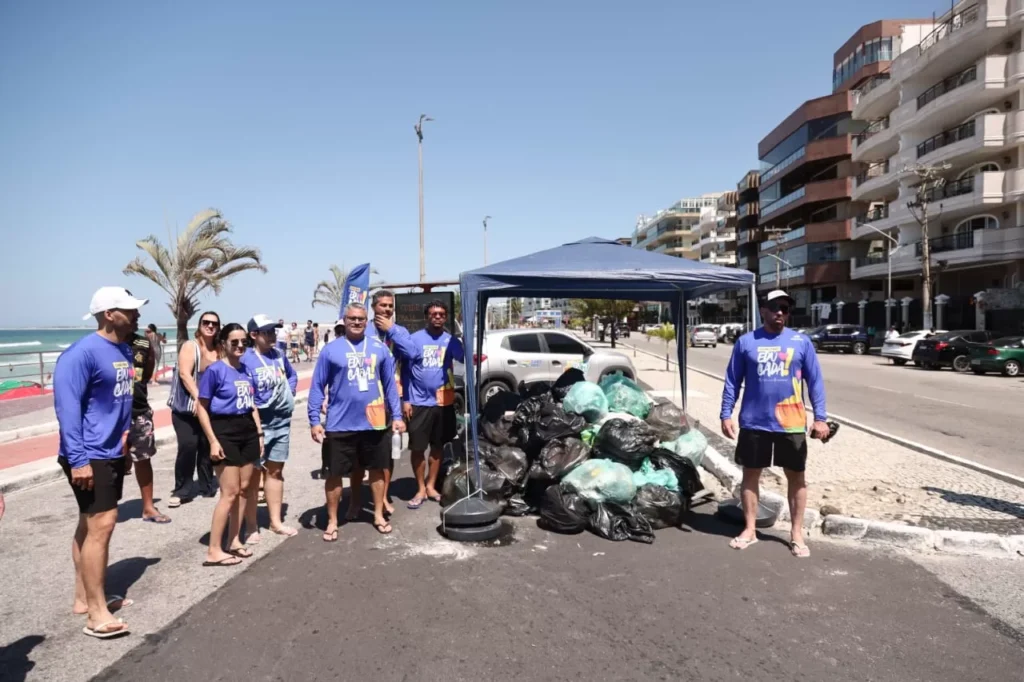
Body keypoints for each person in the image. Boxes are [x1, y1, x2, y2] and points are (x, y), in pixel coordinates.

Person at [56, 286, 148, 639]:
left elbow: (117, 404)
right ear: (109, 314)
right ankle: (96, 613)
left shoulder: (124, 349)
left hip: (111, 451)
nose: (137, 314)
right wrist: (78, 460)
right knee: (103, 524)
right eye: (130, 309)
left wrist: (123, 445)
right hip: (88, 453)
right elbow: (68, 410)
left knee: (89, 525)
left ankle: (84, 597)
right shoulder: (80, 355)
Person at [719, 289, 828, 559]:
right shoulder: (746, 342)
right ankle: (750, 529)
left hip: (791, 423)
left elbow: (814, 382)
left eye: (785, 308)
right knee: (751, 476)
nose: (780, 312)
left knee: (797, 478)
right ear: (763, 311)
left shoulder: (801, 343)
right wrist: (725, 413)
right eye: (775, 307)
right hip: (754, 422)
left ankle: (796, 533)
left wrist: (821, 418)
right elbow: (733, 380)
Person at [308, 303, 404, 539]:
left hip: (375, 422)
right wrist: (314, 420)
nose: (357, 322)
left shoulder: (379, 349)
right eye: (352, 318)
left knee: (377, 472)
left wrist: (397, 416)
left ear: (367, 320)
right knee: (334, 475)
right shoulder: (331, 350)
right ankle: (332, 521)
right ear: (344, 319)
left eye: (361, 318)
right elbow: (317, 386)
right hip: (339, 425)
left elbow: (390, 386)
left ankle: (378, 514)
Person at [378, 299, 464, 508]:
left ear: (445, 318)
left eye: (441, 314)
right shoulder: (413, 339)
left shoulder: (451, 340)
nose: (437, 317)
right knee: (417, 449)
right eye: (433, 314)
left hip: (443, 404)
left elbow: (464, 358)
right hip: (417, 403)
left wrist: (467, 338)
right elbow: (402, 370)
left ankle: (431, 485)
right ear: (427, 317)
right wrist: (405, 400)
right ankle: (420, 488)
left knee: (437, 448)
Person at [196, 323, 264, 566]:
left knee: (246, 488)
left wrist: (259, 433)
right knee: (229, 492)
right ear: (223, 343)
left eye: (243, 341)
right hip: (224, 431)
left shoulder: (246, 370)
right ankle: (214, 549)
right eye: (233, 341)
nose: (239, 345)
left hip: (246, 429)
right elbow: (201, 408)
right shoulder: (214, 371)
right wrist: (213, 441)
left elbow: (252, 403)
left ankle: (234, 540)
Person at [241, 315, 298, 538]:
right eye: (267, 332)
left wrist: (289, 393)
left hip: (281, 422)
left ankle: (276, 522)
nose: (272, 335)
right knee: (254, 475)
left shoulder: (278, 355)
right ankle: (251, 526)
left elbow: (291, 376)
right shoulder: (246, 359)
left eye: (273, 331)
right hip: (258, 424)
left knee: (275, 471)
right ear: (253, 335)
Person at [167, 311, 220, 507]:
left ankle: (207, 485)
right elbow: (184, 374)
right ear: (199, 325)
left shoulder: (218, 349)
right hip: (186, 409)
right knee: (188, 446)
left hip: (210, 409)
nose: (210, 326)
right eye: (206, 322)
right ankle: (182, 490)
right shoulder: (191, 346)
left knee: (206, 447)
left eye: (214, 323)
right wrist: (200, 400)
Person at [128, 329, 170, 523]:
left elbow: (146, 373)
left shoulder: (143, 344)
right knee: (111, 461)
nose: (135, 315)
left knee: (143, 458)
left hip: (138, 409)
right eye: (130, 311)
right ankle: (105, 507)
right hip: (109, 414)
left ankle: (148, 506)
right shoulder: (102, 344)